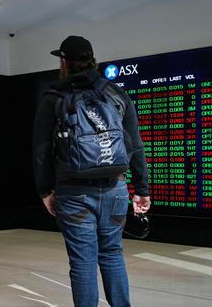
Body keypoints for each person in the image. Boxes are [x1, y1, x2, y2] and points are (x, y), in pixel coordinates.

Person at [32, 36, 151, 307]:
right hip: (115, 189)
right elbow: (134, 145)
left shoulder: (53, 98)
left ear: (64, 61)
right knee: (112, 254)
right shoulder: (116, 94)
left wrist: (45, 191)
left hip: (72, 192)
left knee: (83, 261)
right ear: (92, 59)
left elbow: (40, 151)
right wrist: (141, 189)